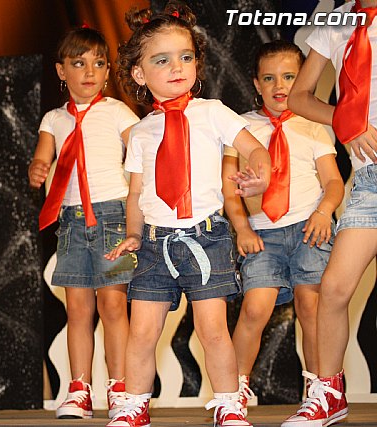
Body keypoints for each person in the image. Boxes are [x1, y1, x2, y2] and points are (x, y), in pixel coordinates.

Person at [107, 2, 272, 426]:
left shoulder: (212, 111)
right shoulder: (140, 132)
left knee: (212, 329)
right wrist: (132, 234)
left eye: (185, 56)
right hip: (154, 243)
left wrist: (260, 174)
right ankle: (134, 405)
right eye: (161, 60)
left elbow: (254, 147)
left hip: (206, 237)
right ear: (139, 74)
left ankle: (229, 404)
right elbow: (136, 192)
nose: (177, 67)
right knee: (142, 331)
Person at [223, 40, 344, 419]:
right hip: (264, 235)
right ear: (255, 83)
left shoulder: (313, 124)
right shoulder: (240, 127)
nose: (280, 85)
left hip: (310, 229)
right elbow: (229, 187)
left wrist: (324, 212)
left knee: (312, 307)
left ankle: (319, 390)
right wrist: (242, 228)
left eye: (290, 77)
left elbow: (334, 182)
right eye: (269, 78)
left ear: (304, 79)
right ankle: (233, 392)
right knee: (254, 309)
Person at [29, 26, 139, 420]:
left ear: (108, 70)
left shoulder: (117, 110)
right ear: (62, 71)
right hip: (72, 221)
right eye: (79, 63)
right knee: (77, 309)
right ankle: (79, 389)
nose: (89, 72)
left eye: (98, 63)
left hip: (113, 216)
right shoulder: (54, 119)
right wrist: (38, 167)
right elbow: (42, 156)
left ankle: (121, 387)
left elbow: (142, 145)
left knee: (113, 306)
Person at [283, 1, 377, 425]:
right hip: (368, 181)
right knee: (334, 289)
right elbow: (299, 97)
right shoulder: (336, 22)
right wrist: (349, 121)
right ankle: (329, 394)